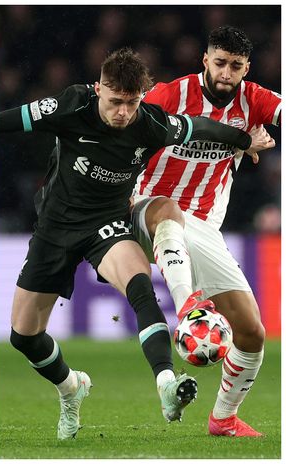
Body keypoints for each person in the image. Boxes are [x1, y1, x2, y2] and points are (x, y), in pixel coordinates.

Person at [0, 48, 273, 439]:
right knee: (23, 336)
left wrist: (244, 140)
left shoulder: (151, 123)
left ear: (141, 97)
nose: (123, 113)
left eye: (131, 103)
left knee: (140, 287)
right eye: (114, 102)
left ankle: (166, 384)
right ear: (98, 90)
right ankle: (71, 388)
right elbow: (7, 123)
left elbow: (202, 127)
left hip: (107, 223)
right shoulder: (71, 105)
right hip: (54, 229)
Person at [131, 26, 281, 437]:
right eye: (220, 63)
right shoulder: (171, 94)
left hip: (203, 229)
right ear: (205, 60)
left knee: (251, 332)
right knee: (167, 209)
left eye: (236, 66)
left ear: (246, 68)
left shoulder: (256, 100)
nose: (226, 73)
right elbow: (123, 126)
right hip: (146, 206)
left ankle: (223, 419)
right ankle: (188, 309)